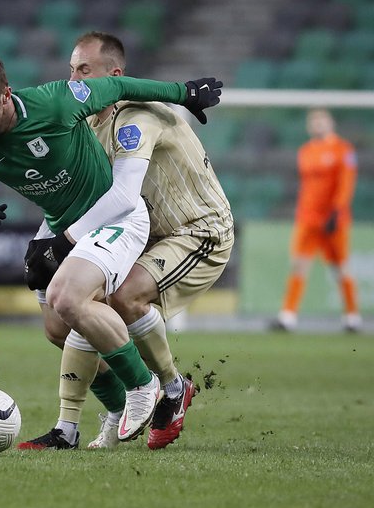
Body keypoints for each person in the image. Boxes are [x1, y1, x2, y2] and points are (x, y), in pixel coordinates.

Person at [0, 53, 223, 446]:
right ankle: (104, 414)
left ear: (5, 95)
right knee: (59, 329)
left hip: (117, 219)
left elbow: (120, 87)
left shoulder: (54, 101)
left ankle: (144, 387)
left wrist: (184, 93)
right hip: (63, 228)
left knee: (67, 297)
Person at [16, 32, 234, 451]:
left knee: (124, 298)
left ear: (115, 76)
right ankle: (73, 427)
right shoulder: (86, 124)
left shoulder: (137, 118)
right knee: (63, 320)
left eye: (85, 70)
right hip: (144, 234)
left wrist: (61, 243)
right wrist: (41, 240)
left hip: (197, 230)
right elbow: (72, 197)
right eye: (71, 69)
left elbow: (123, 196)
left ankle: (172, 389)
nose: (74, 79)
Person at [272, 108, 360, 332]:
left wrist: (337, 211)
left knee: (341, 268)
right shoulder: (305, 151)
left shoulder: (343, 150)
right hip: (308, 218)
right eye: (313, 121)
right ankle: (287, 316)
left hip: (333, 219)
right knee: (299, 266)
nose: (317, 124)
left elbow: (346, 184)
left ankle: (352, 317)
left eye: (321, 120)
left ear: (331, 123)